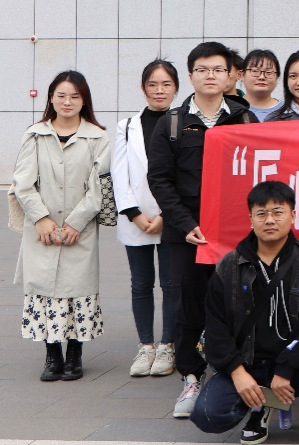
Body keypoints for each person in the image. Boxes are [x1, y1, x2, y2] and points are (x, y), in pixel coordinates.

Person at [147, 41, 260, 418]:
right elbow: (160, 179)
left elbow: (257, 176)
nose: (210, 76)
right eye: (202, 69)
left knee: (238, 302)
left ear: (230, 76)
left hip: (235, 234)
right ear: (191, 75)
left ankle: (238, 375)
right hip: (187, 235)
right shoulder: (171, 122)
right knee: (187, 305)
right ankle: (192, 377)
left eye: (218, 70)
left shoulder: (245, 119)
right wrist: (186, 224)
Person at [189, 181, 299, 445]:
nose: (269, 220)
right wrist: (237, 373)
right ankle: (259, 408)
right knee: (209, 416)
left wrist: (285, 369)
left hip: (295, 365)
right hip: (247, 364)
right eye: (261, 213)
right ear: (250, 218)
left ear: (292, 215)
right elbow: (216, 327)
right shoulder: (228, 267)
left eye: (277, 212)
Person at [13, 70, 110, 383]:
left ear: (84, 100)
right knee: (44, 291)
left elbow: (100, 187)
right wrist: (40, 218)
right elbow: (22, 183)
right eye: (61, 95)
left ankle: (75, 354)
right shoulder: (35, 135)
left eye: (75, 96)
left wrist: (75, 222)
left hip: (79, 230)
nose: (67, 102)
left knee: (77, 291)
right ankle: (52, 355)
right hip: (40, 229)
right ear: (51, 98)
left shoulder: (98, 137)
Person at [111, 60, 180, 378]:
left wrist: (167, 214)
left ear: (176, 88)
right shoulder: (127, 126)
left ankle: (168, 345)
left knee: (170, 284)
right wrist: (134, 214)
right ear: (143, 88)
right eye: (153, 84)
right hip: (135, 218)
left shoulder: (183, 122)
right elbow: (119, 173)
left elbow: (186, 173)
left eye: (166, 84)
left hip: (171, 216)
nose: (159, 90)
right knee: (140, 284)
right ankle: (146, 346)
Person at [242, 49, 282, 122]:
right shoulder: (231, 110)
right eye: (255, 71)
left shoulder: (288, 111)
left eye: (269, 72)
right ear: (242, 75)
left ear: (277, 78)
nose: (262, 77)